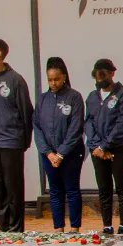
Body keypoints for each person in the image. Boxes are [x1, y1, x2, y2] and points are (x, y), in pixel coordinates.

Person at [0, 38, 33, 233]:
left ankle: (15, 228)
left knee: (13, 186)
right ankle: (3, 228)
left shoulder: (15, 80)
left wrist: (23, 141)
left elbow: (26, 112)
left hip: (11, 141)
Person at [32, 58, 85, 233]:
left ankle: (75, 227)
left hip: (70, 154)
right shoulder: (42, 99)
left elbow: (75, 128)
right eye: (50, 79)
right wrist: (48, 153)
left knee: (71, 189)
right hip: (48, 155)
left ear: (64, 77)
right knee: (55, 191)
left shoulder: (74, 97)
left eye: (56, 79)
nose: (53, 83)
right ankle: (58, 228)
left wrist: (61, 153)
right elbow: (37, 127)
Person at [84, 59, 123, 235]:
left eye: (103, 75)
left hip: (119, 147)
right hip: (97, 150)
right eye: (97, 77)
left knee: (121, 186)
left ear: (112, 73)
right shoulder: (92, 97)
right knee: (104, 188)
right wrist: (97, 146)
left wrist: (106, 145)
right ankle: (106, 224)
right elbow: (88, 122)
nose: (100, 80)